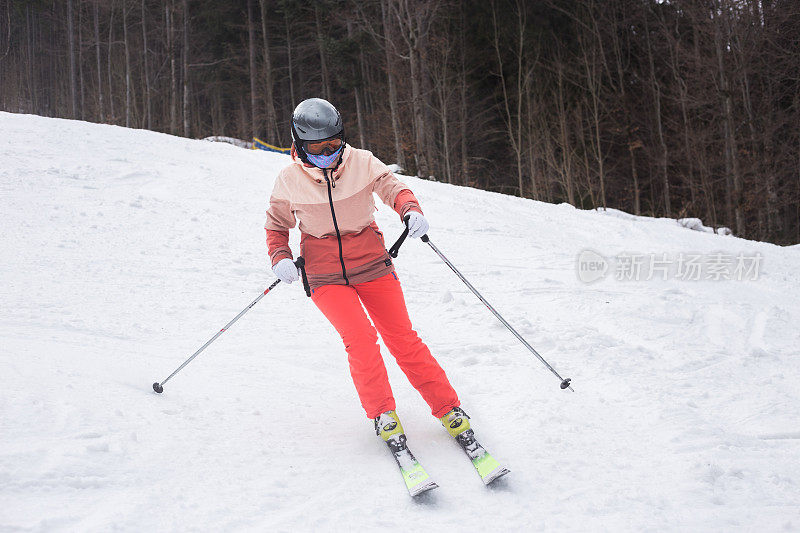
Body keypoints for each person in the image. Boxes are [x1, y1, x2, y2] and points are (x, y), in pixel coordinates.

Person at [264, 98, 470, 443]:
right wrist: (280, 256)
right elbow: (276, 225)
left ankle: (448, 407)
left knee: (403, 338)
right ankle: (383, 414)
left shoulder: (361, 162)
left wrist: (410, 209)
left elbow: (393, 188)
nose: (328, 153)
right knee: (360, 340)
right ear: (300, 144)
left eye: (333, 144)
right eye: (317, 147)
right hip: (324, 274)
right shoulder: (288, 180)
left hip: (372, 264)